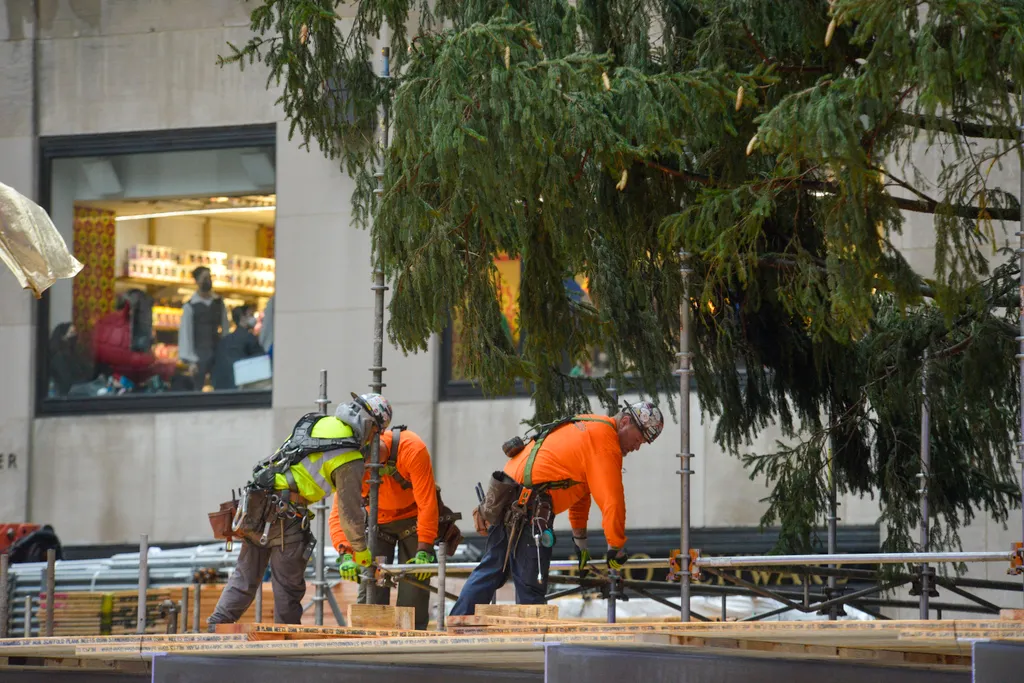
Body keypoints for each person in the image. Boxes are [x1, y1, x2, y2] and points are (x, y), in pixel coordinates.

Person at [449, 401, 664, 615]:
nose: (636, 447)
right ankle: (533, 645)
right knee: (530, 586)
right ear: (625, 422)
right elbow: (613, 501)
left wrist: (580, 544)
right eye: (638, 439)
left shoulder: (590, 426)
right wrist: (615, 548)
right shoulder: (605, 440)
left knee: (492, 570)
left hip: (509, 499)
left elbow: (581, 493)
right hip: (531, 511)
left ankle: (456, 625)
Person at [206, 392, 393, 630]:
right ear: (369, 425)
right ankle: (286, 644)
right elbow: (350, 514)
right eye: (376, 432)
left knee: (245, 577)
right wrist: (360, 549)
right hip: (287, 517)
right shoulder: (349, 457)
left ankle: (215, 627)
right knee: (288, 586)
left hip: (257, 505)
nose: (373, 439)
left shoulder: (320, 422)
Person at [328, 425, 440, 630]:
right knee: (372, 586)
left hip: (414, 521)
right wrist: (345, 552)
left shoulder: (411, 448)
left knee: (414, 590)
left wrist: (424, 549)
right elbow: (340, 513)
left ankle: (410, 647)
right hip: (377, 524)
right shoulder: (351, 466)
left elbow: (427, 503)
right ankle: (369, 644)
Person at [178, 266, 229, 391]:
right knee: (197, 389)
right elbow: (186, 334)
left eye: (209, 277)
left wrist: (226, 351)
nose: (208, 280)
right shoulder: (190, 306)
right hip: (198, 355)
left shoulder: (218, 303)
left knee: (220, 386)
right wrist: (190, 360)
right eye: (205, 278)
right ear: (197, 281)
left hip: (217, 352)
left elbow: (225, 328)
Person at [211, 304, 265, 390]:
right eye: (250, 315)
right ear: (242, 318)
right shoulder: (249, 338)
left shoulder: (224, 340)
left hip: (222, 388)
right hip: (241, 387)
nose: (254, 318)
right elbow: (261, 361)